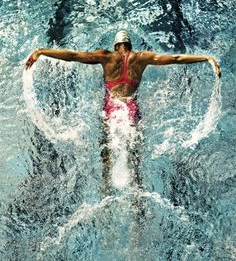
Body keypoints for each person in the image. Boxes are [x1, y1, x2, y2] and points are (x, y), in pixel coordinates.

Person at [26, 30, 221, 194]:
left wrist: (41, 52)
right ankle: (138, 197)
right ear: (130, 45)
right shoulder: (142, 58)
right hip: (131, 109)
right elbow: (175, 58)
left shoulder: (106, 56)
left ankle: (105, 190)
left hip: (111, 108)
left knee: (106, 152)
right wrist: (207, 58)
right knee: (134, 155)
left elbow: (73, 56)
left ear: (116, 45)